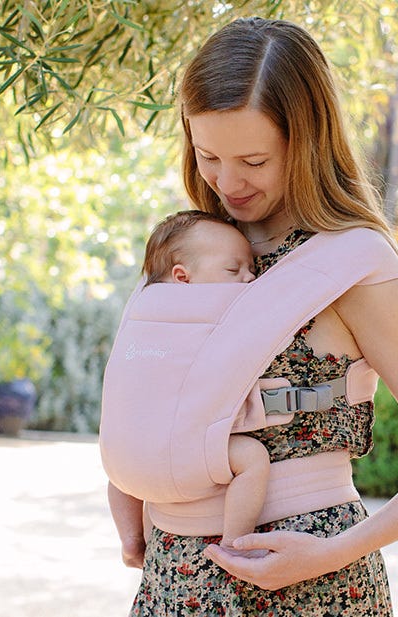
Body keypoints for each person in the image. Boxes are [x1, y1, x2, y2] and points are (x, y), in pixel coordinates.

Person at [121, 17, 398, 615]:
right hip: (176, 577)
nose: (227, 181)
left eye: (254, 160)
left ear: (307, 141)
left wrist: (331, 554)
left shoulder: (356, 267)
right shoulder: (193, 251)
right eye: (208, 154)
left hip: (312, 583)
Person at [107, 209, 271, 568]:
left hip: (127, 457)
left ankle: (132, 541)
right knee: (253, 459)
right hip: (186, 453)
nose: (249, 280)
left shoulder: (138, 311)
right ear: (183, 277)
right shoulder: (220, 309)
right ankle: (235, 543)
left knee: (119, 471)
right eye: (234, 270)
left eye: (252, 270)